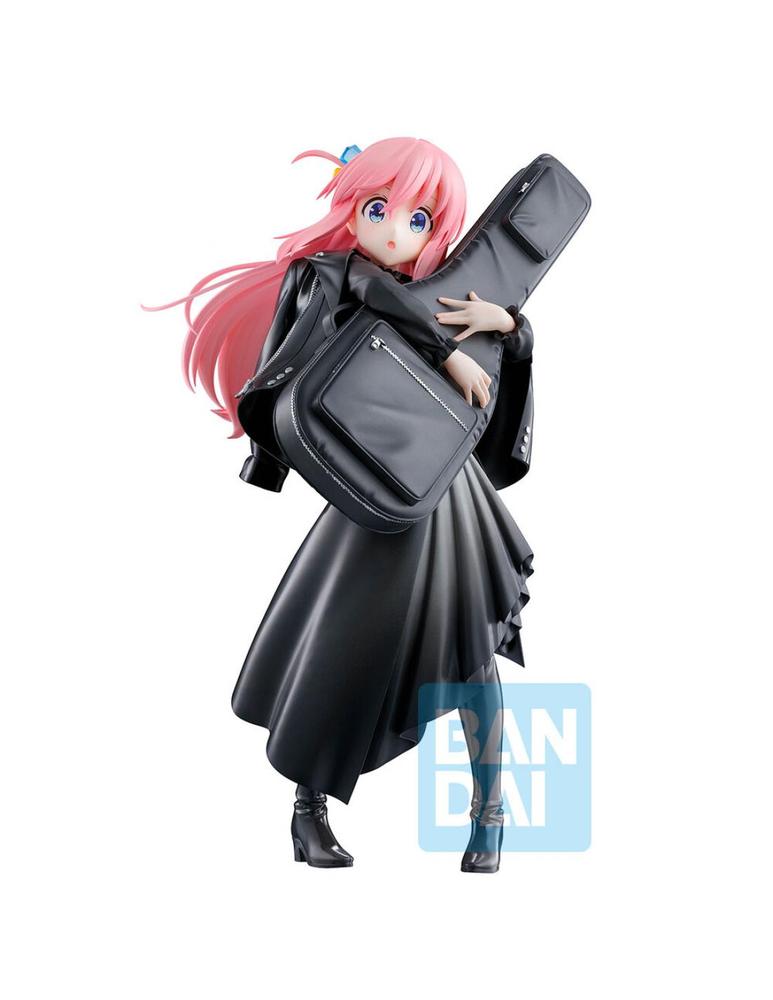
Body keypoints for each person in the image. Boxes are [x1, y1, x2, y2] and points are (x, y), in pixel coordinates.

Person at [145, 137, 535, 873]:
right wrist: (441, 347)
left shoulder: (444, 292)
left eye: (418, 220)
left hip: (447, 492)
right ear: (350, 206)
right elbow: (334, 315)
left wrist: (507, 326)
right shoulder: (328, 275)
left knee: (472, 648)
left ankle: (490, 812)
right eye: (378, 209)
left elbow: (497, 366)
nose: (395, 231)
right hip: (374, 494)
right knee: (338, 646)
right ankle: (308, 811)